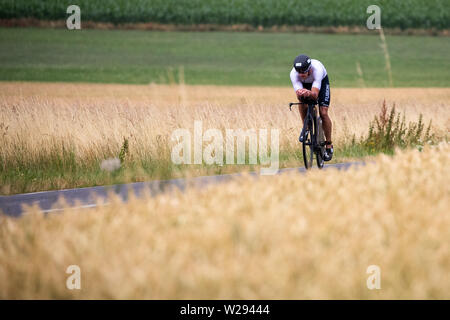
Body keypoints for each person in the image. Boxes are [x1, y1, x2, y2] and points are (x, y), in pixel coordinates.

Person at [290, 54, 333, 161]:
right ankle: (306, 128)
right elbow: (299, 93)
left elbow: (314, 94)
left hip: (320, 83)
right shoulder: (293, 74)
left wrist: (310, 93)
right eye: (299, 72)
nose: (301, 74)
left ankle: (329, 145)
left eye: (304, 72)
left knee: (323, 112)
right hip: (305, 86)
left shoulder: (317, 69)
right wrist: (302, 93)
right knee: (301, 100)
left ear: (309, 69)